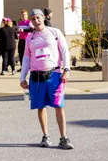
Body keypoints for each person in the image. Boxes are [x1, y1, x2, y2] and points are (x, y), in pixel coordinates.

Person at [20, 9, 74, 150]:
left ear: (43, 18)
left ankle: (64, 138)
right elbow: (26, 58)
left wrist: (67, 70)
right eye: (33, 19)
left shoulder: (54, 33)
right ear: (31, 21)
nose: (36, 21)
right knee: (40, 106)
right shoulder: (29, 38)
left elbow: (64, 51)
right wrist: (22, 77)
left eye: (38, 18)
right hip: (36, 77)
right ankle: (45, 136)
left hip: (54, 75)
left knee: (58, 106)